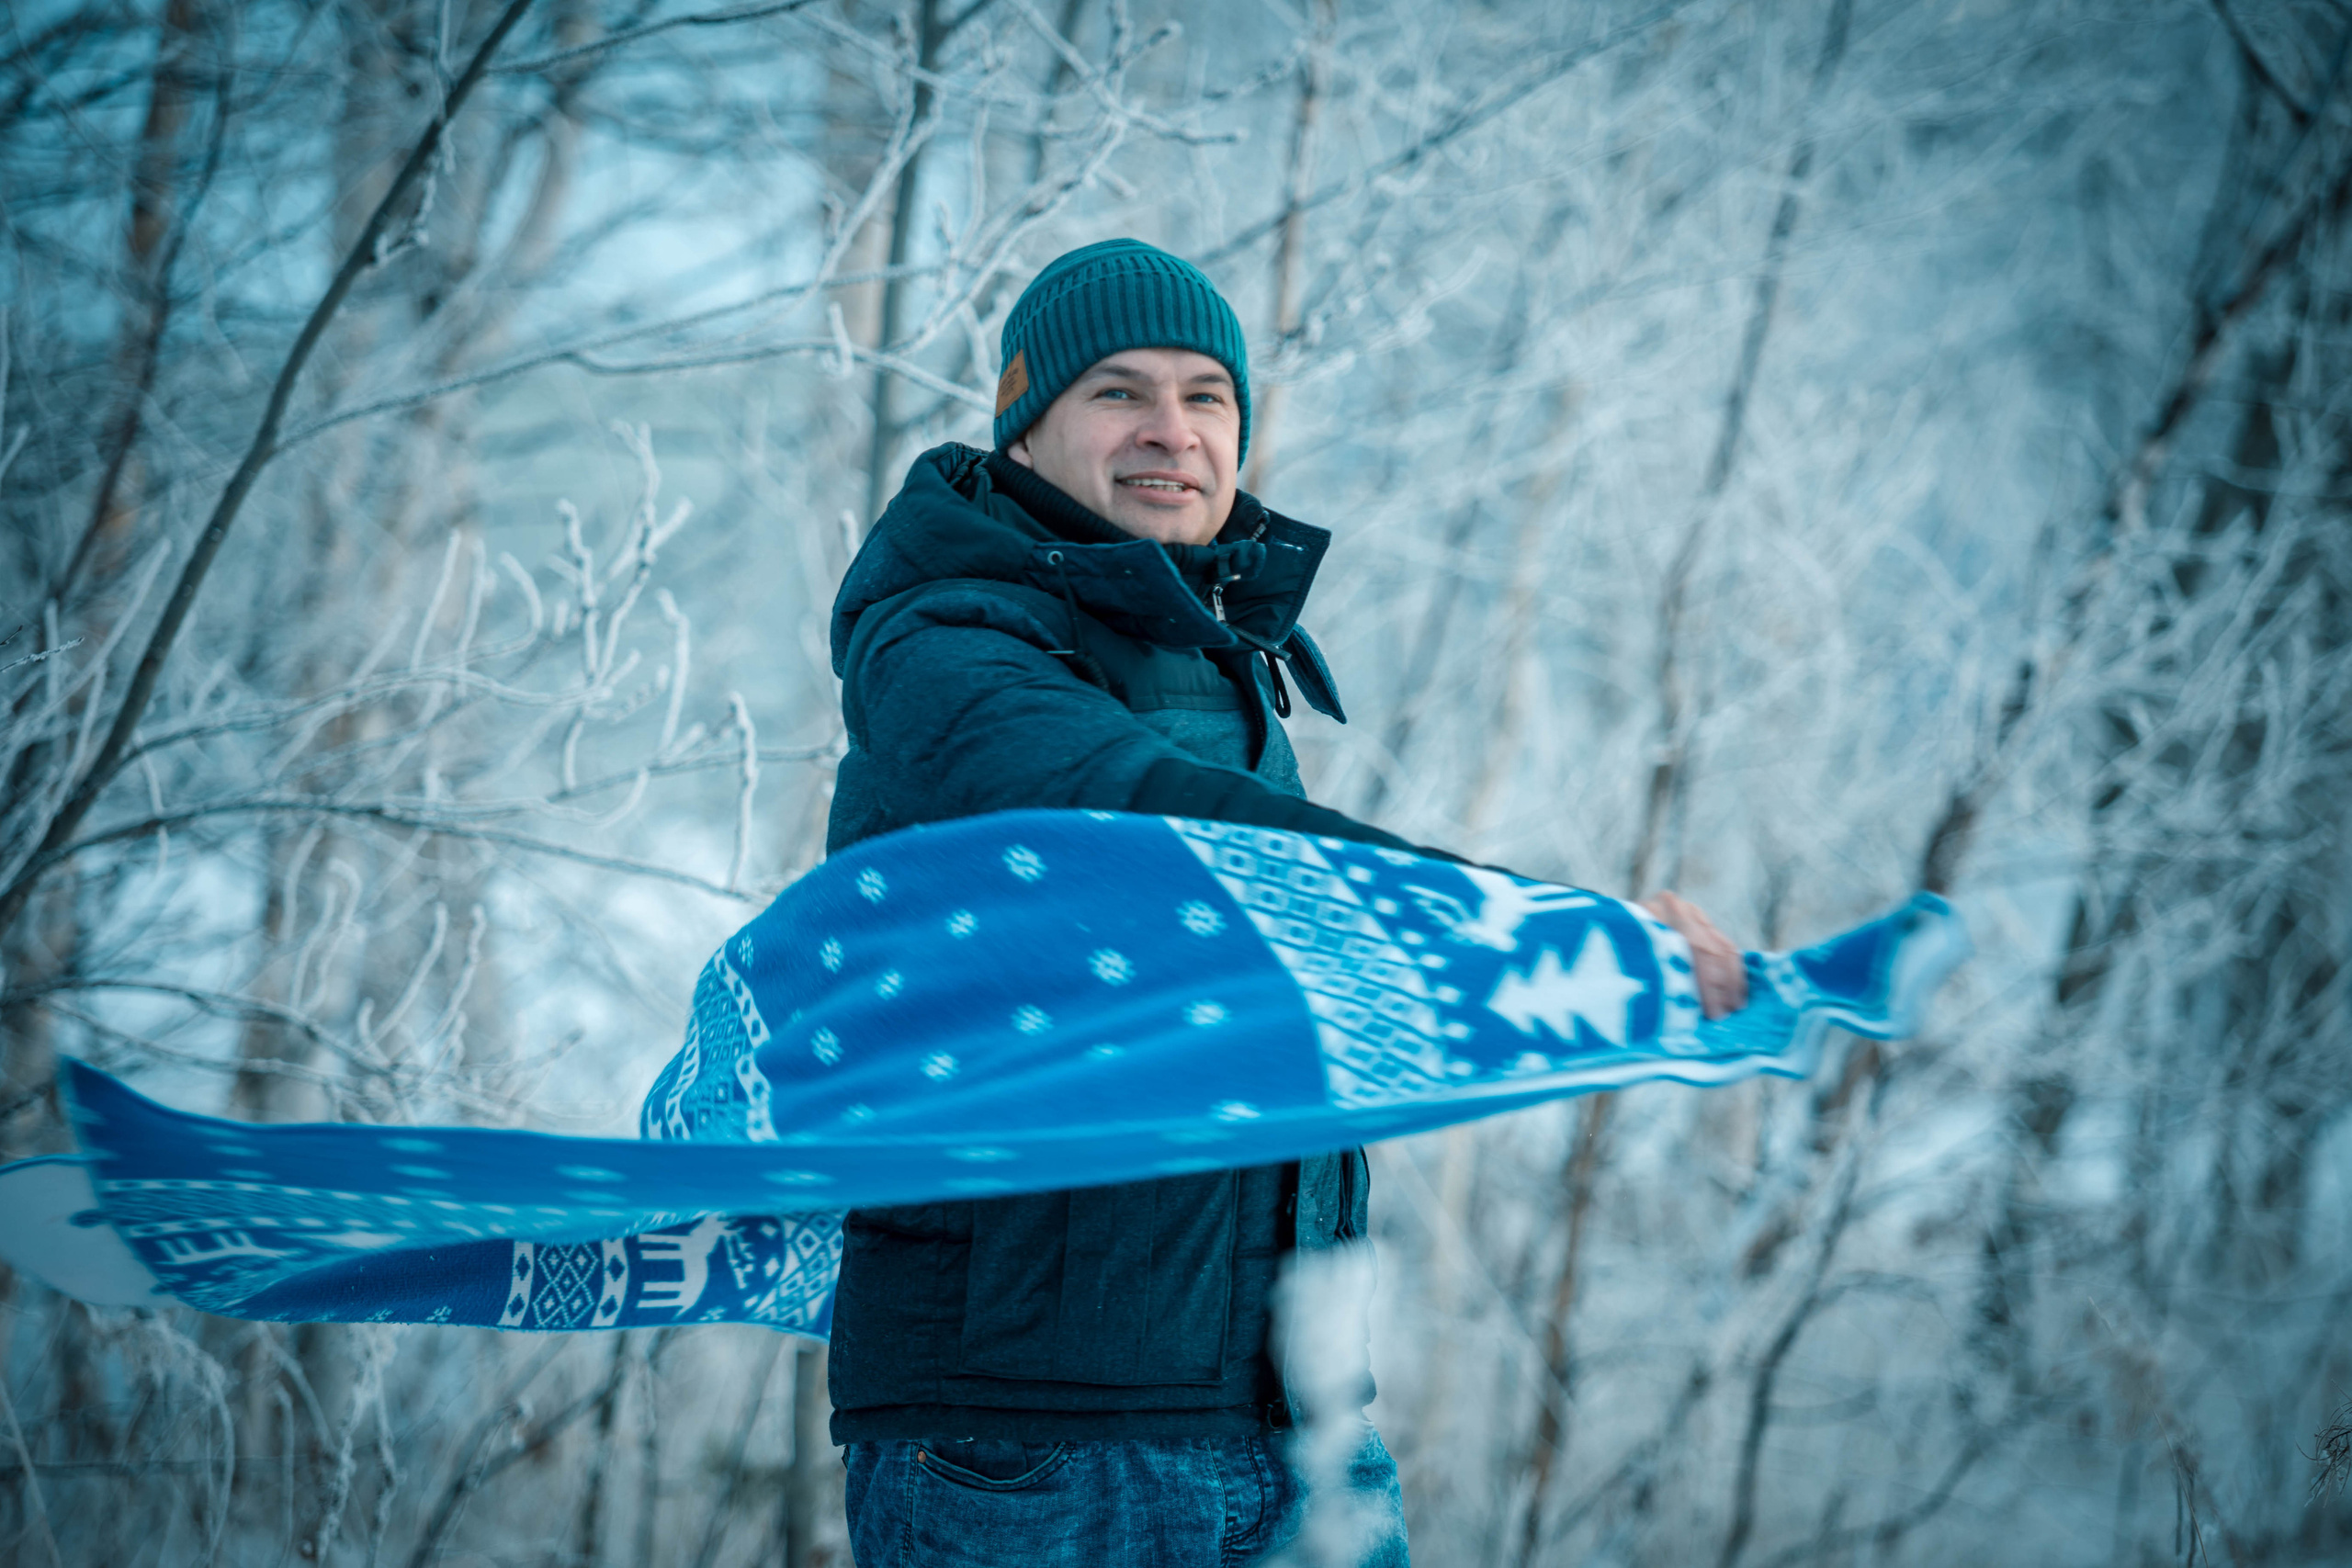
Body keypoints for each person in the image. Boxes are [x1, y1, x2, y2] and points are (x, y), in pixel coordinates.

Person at [822, 237, 1746, 1567]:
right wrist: (1550, 936)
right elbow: (1156, 836)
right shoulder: (948, 650)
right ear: (1025, 434)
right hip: (1034, 1446)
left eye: (1207, 395)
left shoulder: (1216, 649)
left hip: (1294, 1420)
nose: (1171, 431)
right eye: (1117, 392)